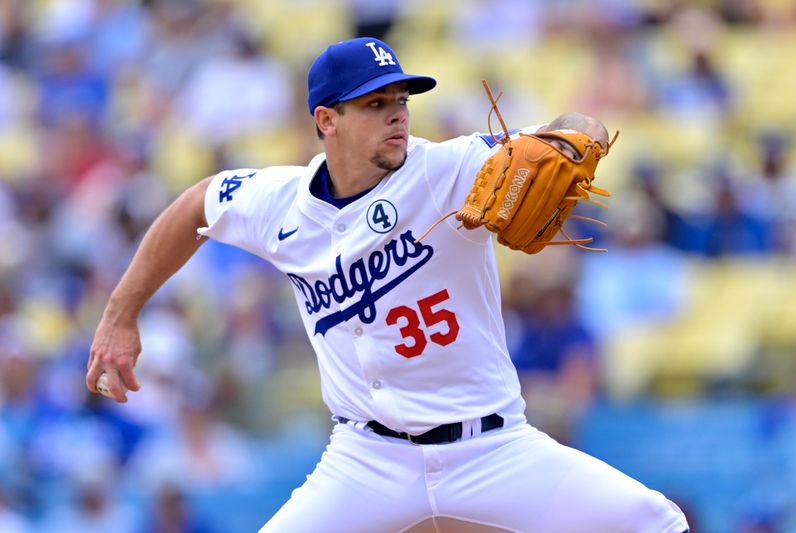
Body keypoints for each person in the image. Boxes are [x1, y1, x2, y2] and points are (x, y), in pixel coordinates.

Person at [86, 37, 690, 532]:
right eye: (375, 103)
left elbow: (571, 126)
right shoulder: (278, 203)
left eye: (401, 98)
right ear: (327, 119)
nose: (397, 112)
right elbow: (197, 204)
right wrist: (120, 313)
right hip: (366, 458)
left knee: (655, 524)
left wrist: (574, 134)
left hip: (492, 446)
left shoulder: (452, 168)